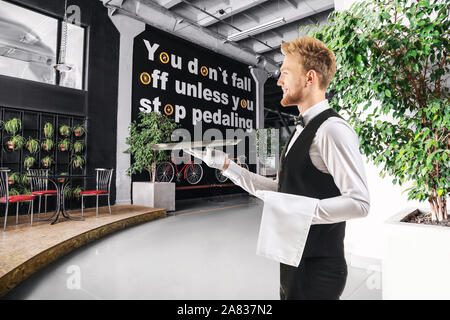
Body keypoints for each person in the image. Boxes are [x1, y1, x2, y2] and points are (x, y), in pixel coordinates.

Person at [184, 36, 370, 300]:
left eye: (285, 73)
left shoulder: (332, 130)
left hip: (318, 270)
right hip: (292, 259)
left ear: (310, 78)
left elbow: (360, 203)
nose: (279, 81)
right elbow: (282, 190)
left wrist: (298, 211)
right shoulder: (300, 130)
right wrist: (225, 165)